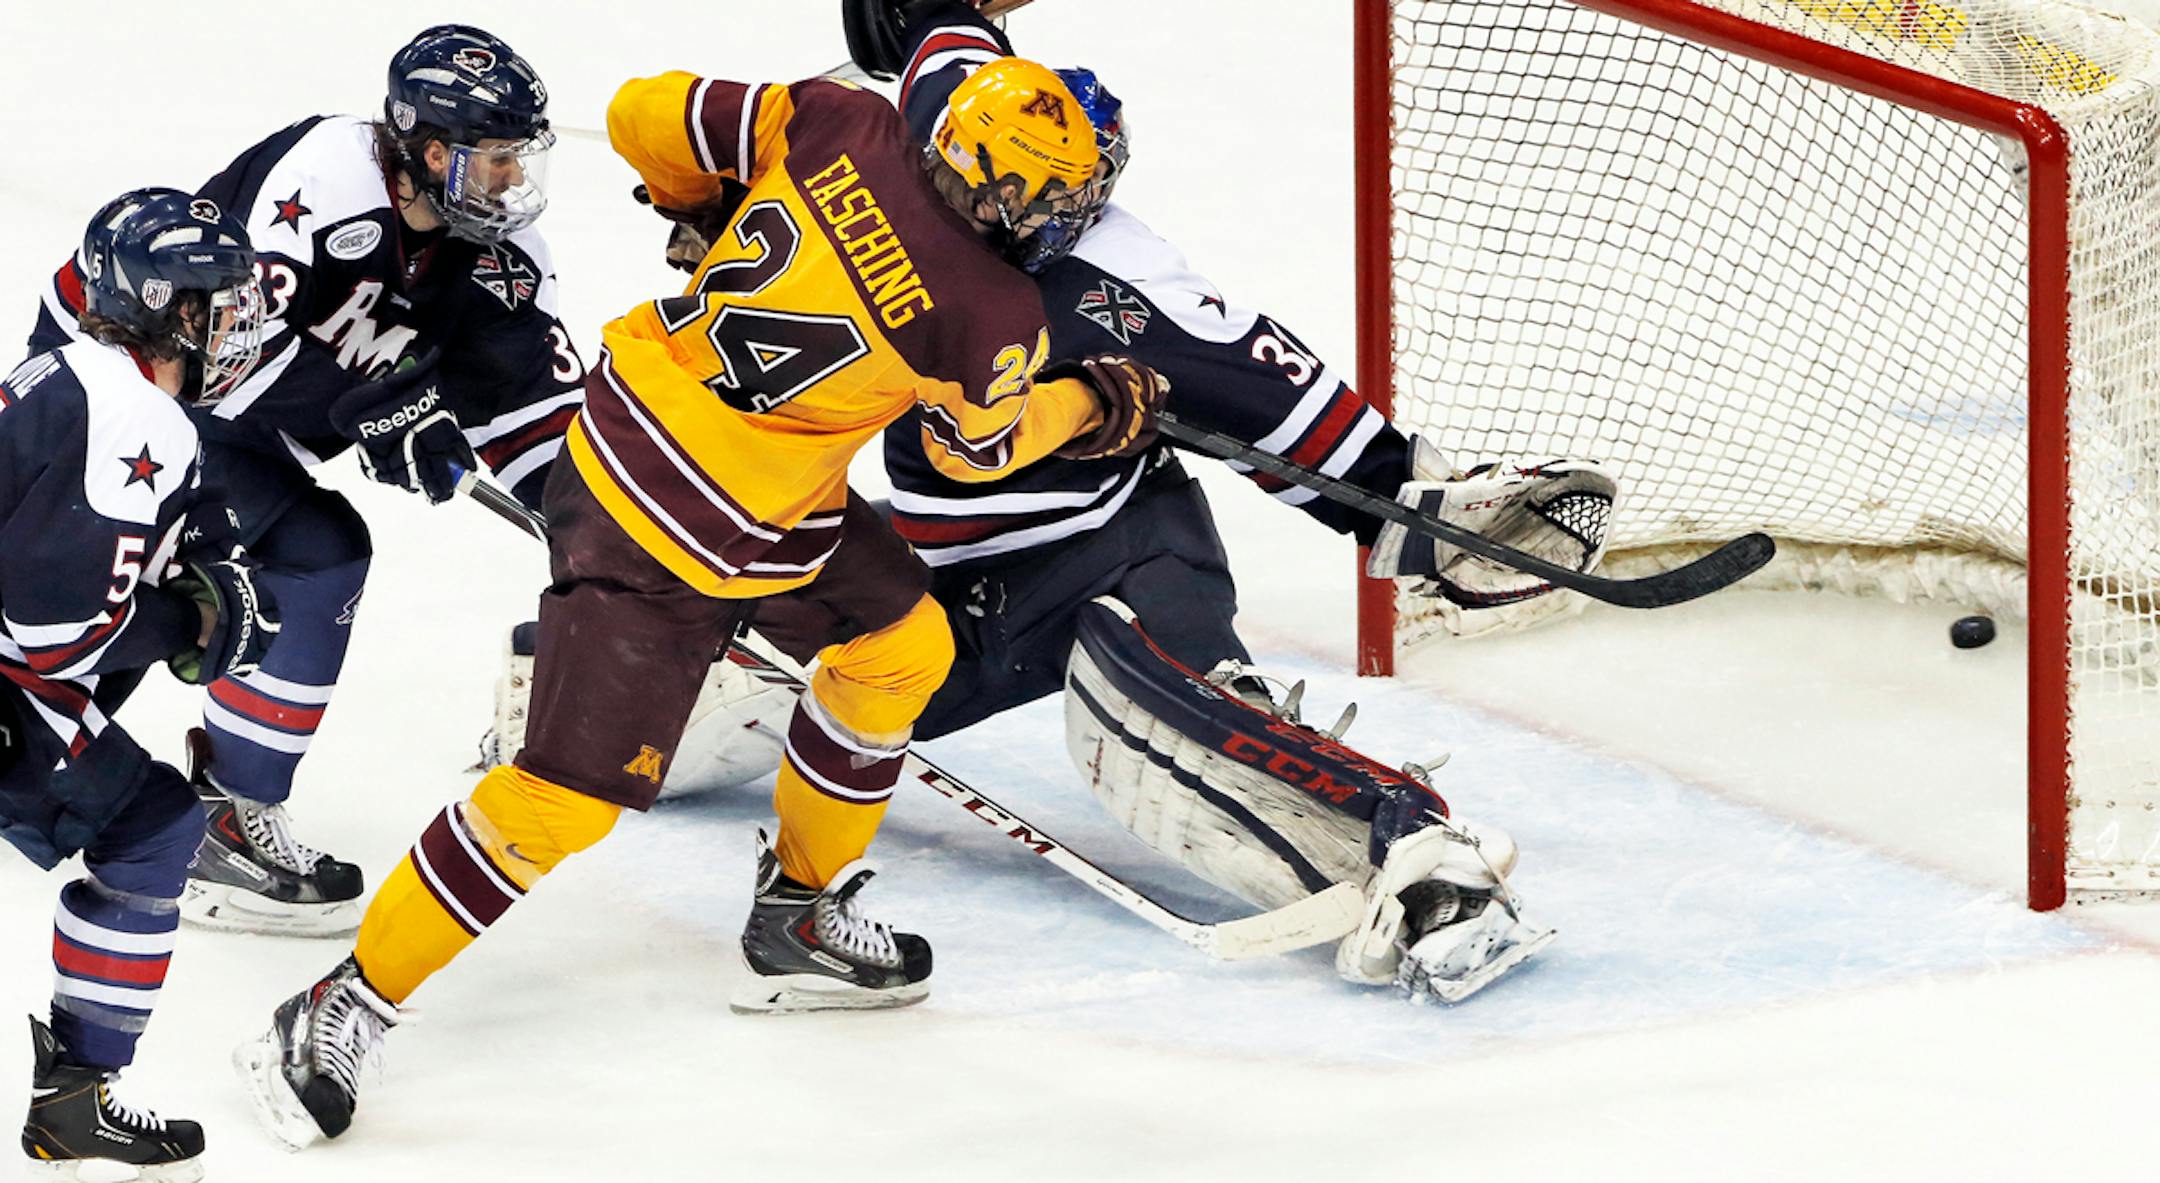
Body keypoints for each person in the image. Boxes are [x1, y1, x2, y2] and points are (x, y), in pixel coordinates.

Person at [575, 0, 1618, 1001]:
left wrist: (1416, 507)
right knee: (835, 657)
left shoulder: (1046, 211)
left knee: (1163, 675)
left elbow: (1274, 392)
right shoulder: (981, 156)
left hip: (1089, 556)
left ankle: (1416, 868)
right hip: (936, 575)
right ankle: (577, 687)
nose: (1040, 216)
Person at [237, 57, 1169, 1149]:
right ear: (1017, 195)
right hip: (665, 533)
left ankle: (797, 915)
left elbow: (639, 111)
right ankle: (339, 1003)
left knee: (900, 642)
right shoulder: (991, 313)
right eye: (1068, 196)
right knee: (559, 801)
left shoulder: (840, 123)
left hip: (733, 480)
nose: (1076, 216)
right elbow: (981, 449)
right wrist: (1097, 401)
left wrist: (697, 203)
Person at [27, 25, 584, 937]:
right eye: (493, 160)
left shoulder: (504, 262)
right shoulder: (325, 177)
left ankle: (221, 808)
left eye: (517, 159)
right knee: (145, 591)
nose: (512, 181)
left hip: (231, 430)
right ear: (431, 152)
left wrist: (617, 536)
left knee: (299, 559)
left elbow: (537, 419)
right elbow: (216, 353)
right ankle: (140, 781)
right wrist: (372, 409)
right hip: (121, 388)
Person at [5, 188, 278, 1181]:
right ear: (172, 309)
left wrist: (198, 559)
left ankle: (75, 1101)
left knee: (148, 820)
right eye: (223, 302)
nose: (242, 321)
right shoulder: (135, 416)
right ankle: (75, 1100)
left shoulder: (89, 374)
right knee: (152, 826)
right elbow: (49, 637)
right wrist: (184, 623)